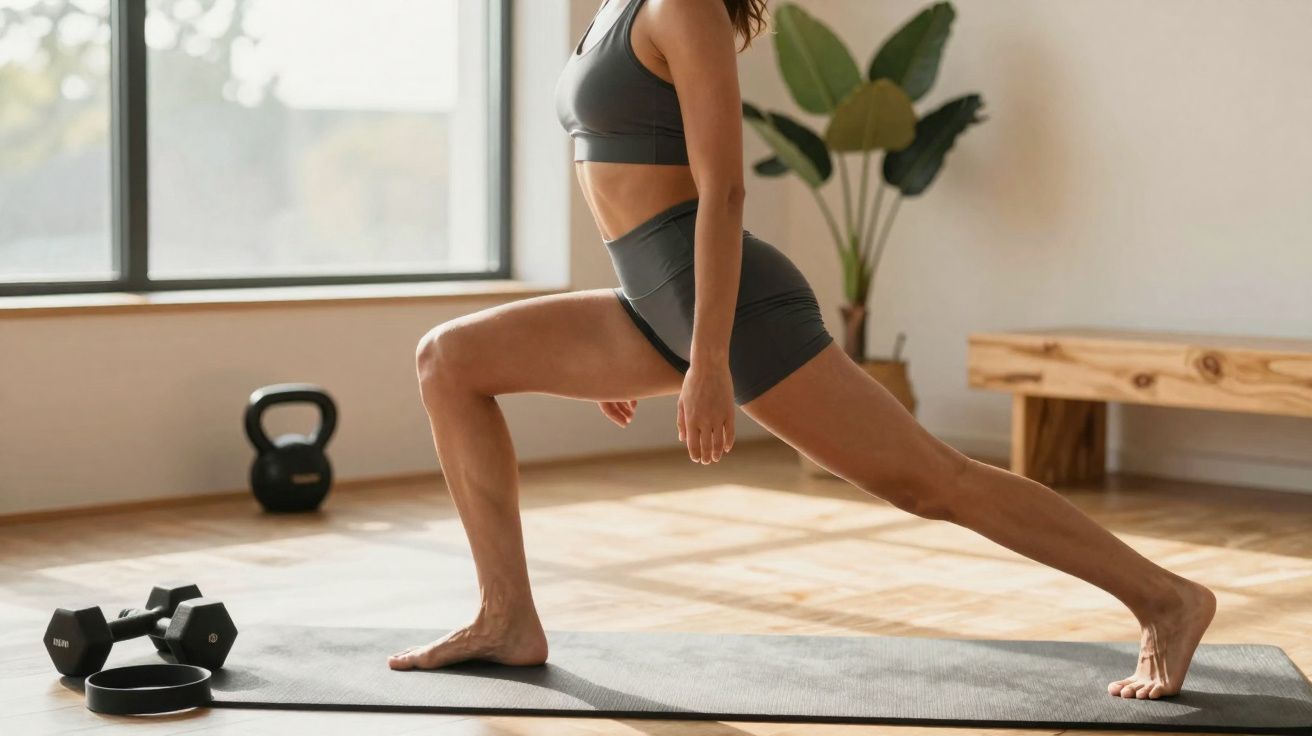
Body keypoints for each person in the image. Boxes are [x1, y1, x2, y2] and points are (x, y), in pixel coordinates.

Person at [388, 0, 1215, 700]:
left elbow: (724, 189)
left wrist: (706, 358)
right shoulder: (617, 4)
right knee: (448, 361)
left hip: (734, 301)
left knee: (932, 482)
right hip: (653, 298)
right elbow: (614, 171)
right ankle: (507, 617)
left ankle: (1165, 599)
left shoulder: (686, 6)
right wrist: (636, 348)